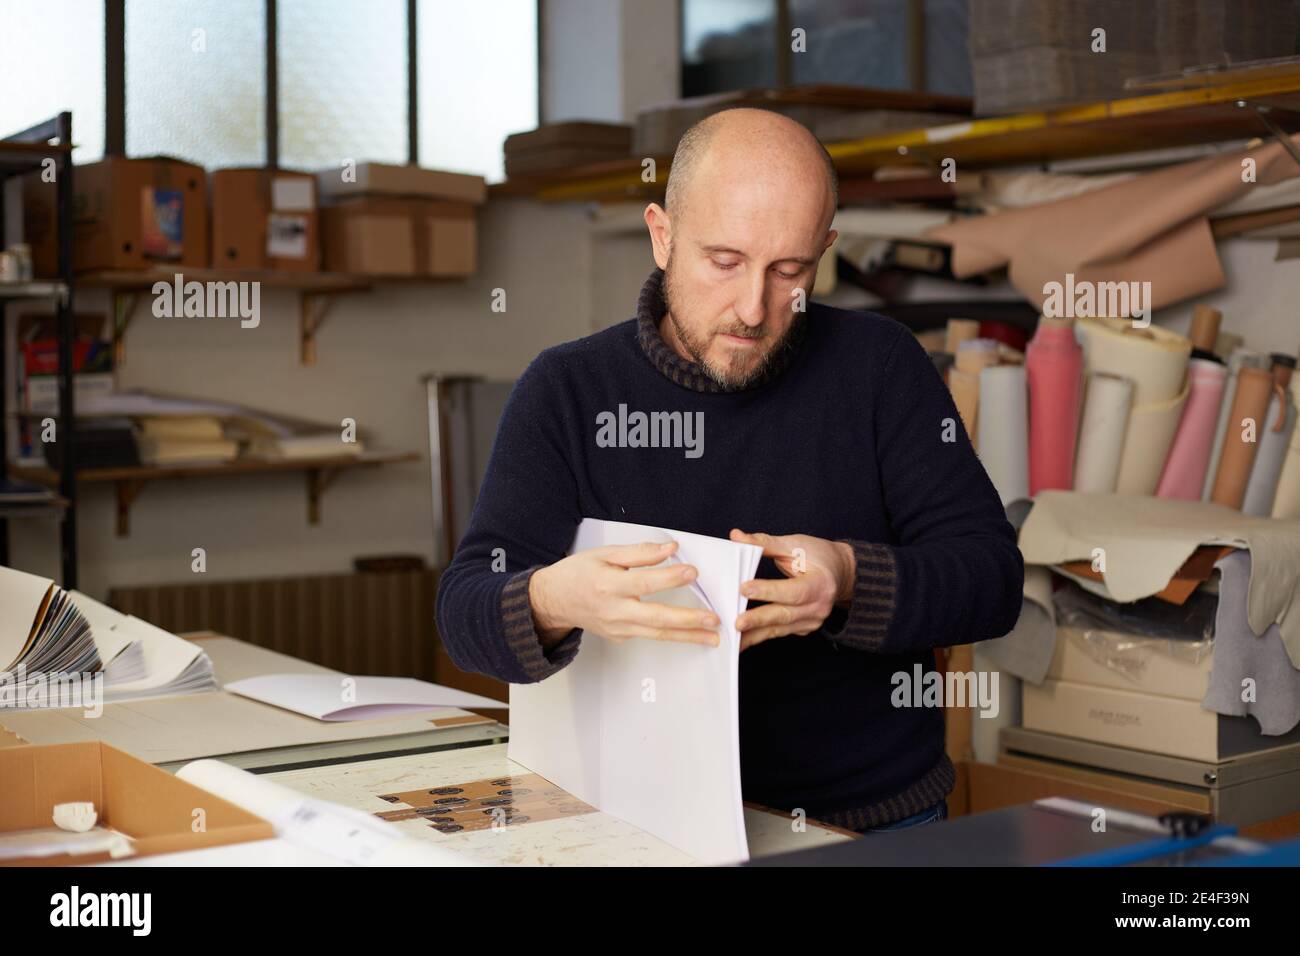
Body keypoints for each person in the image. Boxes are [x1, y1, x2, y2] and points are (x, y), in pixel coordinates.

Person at [436, 107, 1023, 833]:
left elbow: (992, 582)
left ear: (825, 251)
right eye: (724, 261)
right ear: (663, 235)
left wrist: (847, 579)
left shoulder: (880, 366)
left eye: (790, 270)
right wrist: (554, 600)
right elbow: (463, 614)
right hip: (631, 820)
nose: (754, 308)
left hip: (866, 823)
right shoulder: (567, 390)